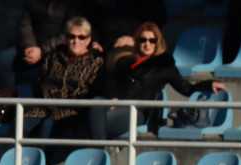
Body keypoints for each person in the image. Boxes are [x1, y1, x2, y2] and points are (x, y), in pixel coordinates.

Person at [88, 22, 226, 140]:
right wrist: (113, 96)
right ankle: (96, 147)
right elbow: (108, 81)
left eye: (152, 40)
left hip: (136, 111)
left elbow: (186, 88)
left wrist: (209, 83)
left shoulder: (164, 65)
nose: (147, 44)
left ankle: (96, 150)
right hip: (114, 106)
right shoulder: (125, 61)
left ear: (157, 42)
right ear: (137, 42)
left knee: (94, 123)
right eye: (143, 40)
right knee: (95, 102)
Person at [24, 17, 105, 146]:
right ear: (66, 38)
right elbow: (40, 82)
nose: (76, 41)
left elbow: (93, 89)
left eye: (81, 37)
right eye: (71, 36)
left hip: (72, 110)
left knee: (48, 126)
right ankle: (16, 164)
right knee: (22, 124)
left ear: (88, 40)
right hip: (44, 106)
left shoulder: (96, 60)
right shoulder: (54, 56)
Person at [0, 0, 96, 90]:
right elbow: (25, 25)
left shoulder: (71, 3)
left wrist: (42, 51)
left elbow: (70, 32)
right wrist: (29, 46)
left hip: (58, 48)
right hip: (32, 47)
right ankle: (8, 99)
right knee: (2, 60)